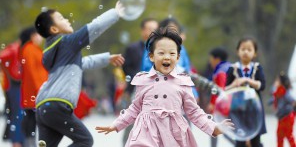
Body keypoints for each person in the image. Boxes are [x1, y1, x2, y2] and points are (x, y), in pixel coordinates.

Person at [96, 28, 234, 147]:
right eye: (161, 53)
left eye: (172, 53)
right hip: (146, 132)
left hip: (174, 133)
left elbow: (194, 112)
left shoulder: (183, 81)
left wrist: (213, 127)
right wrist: (116, 125)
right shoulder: (143, 79)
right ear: (151, 56)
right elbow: (134, 108)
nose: (166, 57)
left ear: (178, 57)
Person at [34, 1, 124, 146]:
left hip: (43, 108)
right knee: (84, 140)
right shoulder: (67, 43)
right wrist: (114, 13)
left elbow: (82, 63)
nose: (67, 20)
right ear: (54, 29)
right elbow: (93, 27)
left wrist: (106, 58)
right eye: (62, 19)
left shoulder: (53, 51)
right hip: (58, 106)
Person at [120, 18, 159, 144]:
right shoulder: (133, 48)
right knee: (131, 123)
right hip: (136, 90)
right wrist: (137, 77)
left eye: (155, 29)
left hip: (157, 92)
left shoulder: (161, 49)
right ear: (142, 30)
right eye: (149, 28)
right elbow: (126, 67)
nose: (152, 32)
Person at [226, 36, 267, 147]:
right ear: (237, 51)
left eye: (249, 49)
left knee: (255, 141)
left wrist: (248, 80)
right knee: (240, 141)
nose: (246, 52)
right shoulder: (232, 68)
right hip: (239, 110)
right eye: (243, 49)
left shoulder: (257, 68)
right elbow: (224, 89)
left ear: (255, 53)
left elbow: (262, 85)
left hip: (255, 110)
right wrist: (234, 84)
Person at [19, 27, 48, 147]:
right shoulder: (29, 49)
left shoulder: (33, 49)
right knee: (31, 120)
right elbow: (32, 72)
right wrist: (40, 90)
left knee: (33, 120)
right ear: (32, 36)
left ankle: (31, 143)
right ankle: (29, 144)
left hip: (35, 91)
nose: (41, 37)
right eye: (39, 34)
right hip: (34, 92)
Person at [0, 39, 25, 147]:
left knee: (18, 115)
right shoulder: (16, 47)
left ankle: (19, 141)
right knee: (18, 115)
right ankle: (17, 142)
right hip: (14, 87)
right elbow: (1, 56)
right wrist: (12, 71)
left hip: (16, 87)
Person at [207, 47, 234, 147]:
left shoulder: (220, 72)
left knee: (215, 129)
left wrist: (213, 103)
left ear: (217, 59)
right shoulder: (228, 67)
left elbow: (219, 90)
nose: (210, 61)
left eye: (211, 58)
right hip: (231, 105)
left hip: (223, 107)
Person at [271, 72, 296, 147]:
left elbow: (293, 101)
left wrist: (292, 110)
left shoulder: (284, 92)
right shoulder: (278, 91)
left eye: (277, 80)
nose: (275, 82)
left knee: (288, 135)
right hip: (281, 117)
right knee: (280, 135)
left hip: (287, 117)